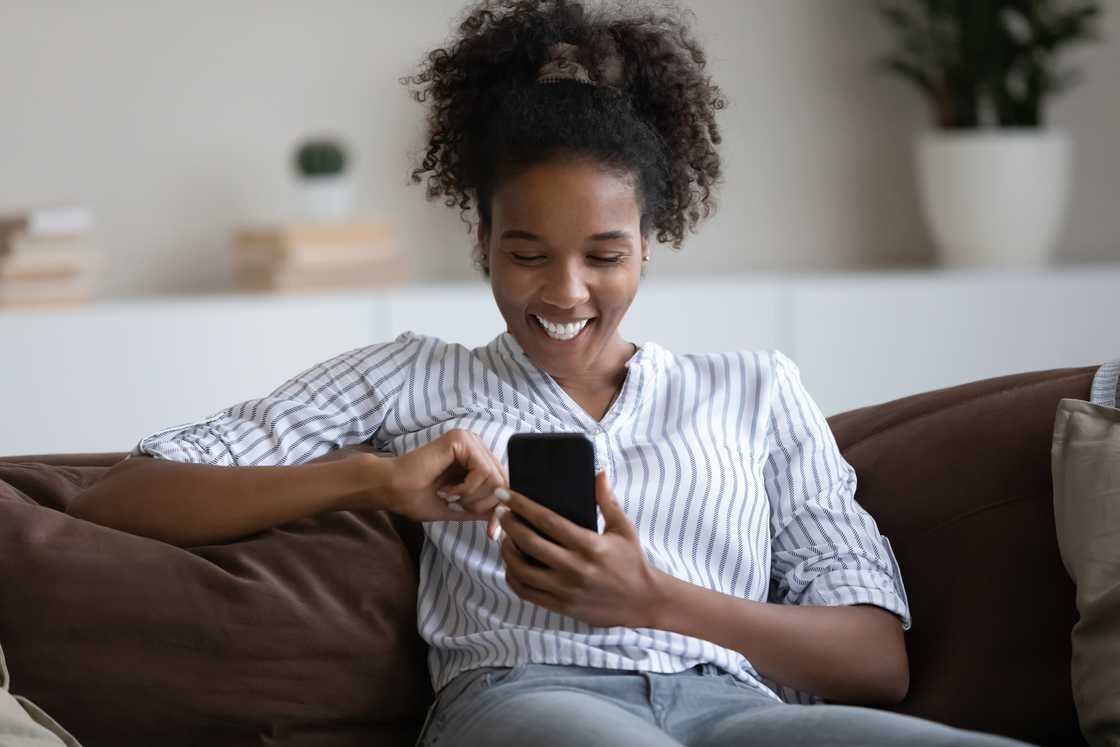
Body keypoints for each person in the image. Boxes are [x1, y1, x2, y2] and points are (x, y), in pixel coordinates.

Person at [69, 1, 1033, 745]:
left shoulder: (755, 389)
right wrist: (372, 480)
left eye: (604, 255)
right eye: (526, 252)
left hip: (737, 712)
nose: (565, 291)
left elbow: (877, 660)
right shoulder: (410, 379)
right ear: (481, 242)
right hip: (529, 700)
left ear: (650, 248)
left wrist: (655, 598)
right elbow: (124, 499)